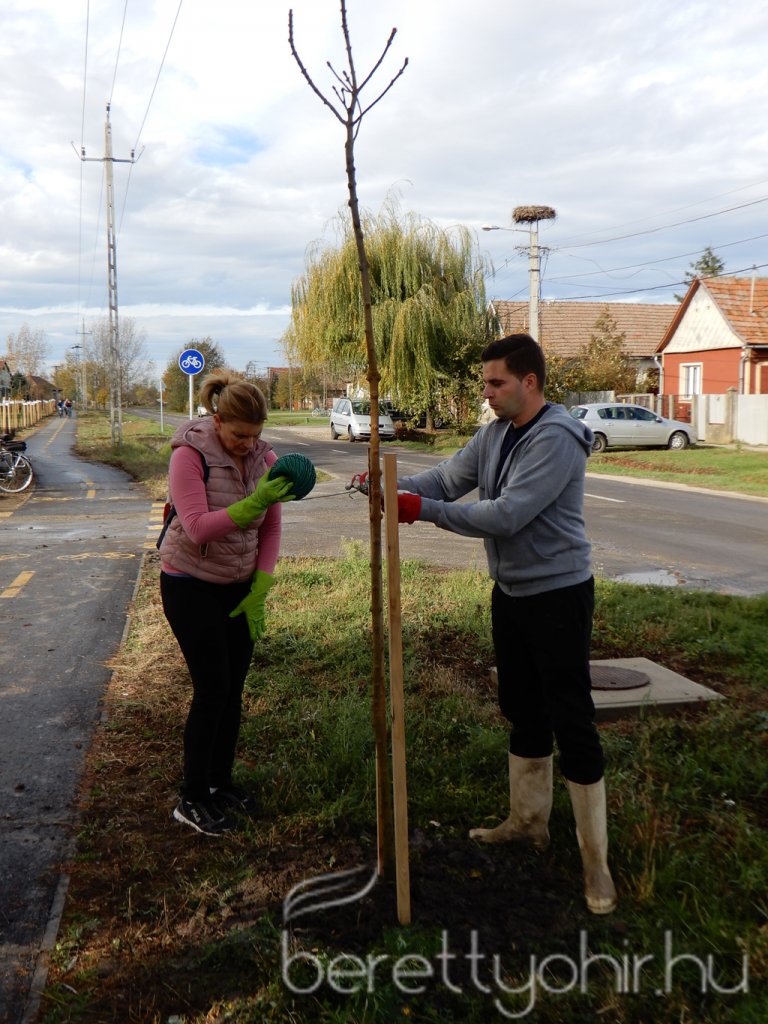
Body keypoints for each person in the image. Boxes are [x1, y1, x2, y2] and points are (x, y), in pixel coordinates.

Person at [364, 334, 617, 914]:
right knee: (522, 707)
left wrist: (419, 511)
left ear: (530, 381)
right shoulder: (495, 433)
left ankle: (596, 864)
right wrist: (388, 485)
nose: (487, 393)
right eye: (485, 382)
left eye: (496, 382)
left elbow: (507, 515)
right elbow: (446, 480)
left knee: (571, 717)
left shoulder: (556, 439)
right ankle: (528, 824)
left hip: (558, 595)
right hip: (512, 594)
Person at [158, 370, 294, 836]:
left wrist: (262, 583)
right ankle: (192, 798)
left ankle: (219, 783)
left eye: (255, 435)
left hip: (238, 585)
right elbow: (197, 527)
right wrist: (253, 504)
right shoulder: (189, 455)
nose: (247, 444)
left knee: (233, 688)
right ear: (217, 421)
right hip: (189, 584)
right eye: (239, 435)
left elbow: (272, 528)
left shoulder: (264, 457)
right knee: (212, 687)